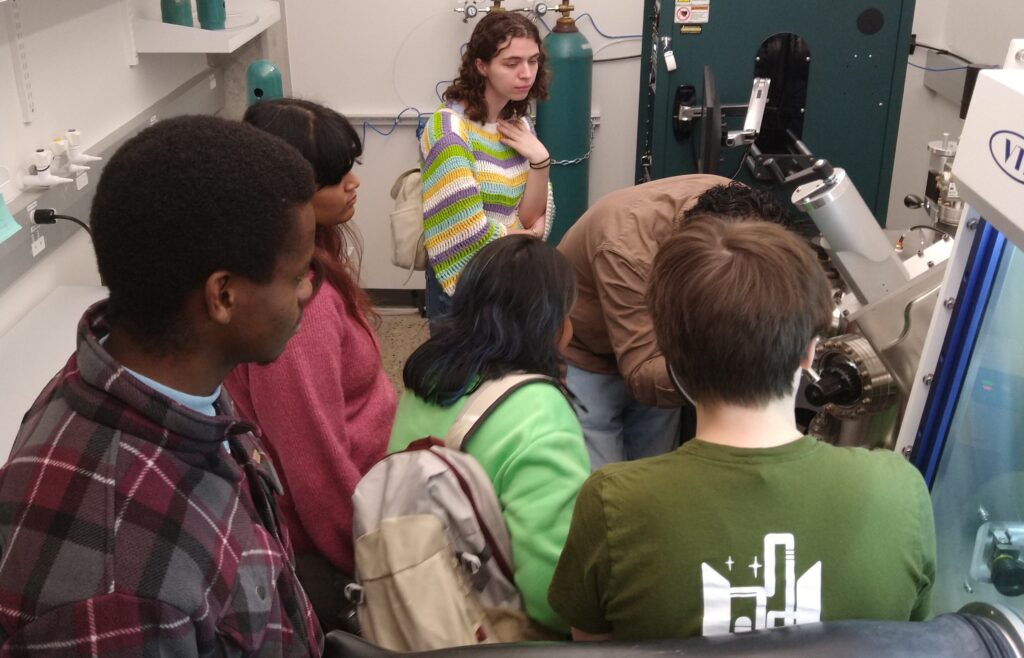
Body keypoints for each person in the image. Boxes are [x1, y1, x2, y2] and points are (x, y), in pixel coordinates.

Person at [0, 116, 323, 655]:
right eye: (297, 276)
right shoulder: (124, 596)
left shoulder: (142, 374)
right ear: (223, 296)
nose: (308, 292)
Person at [548, 218, 936, 641]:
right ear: (809, 352)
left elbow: (591, 646)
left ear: (672, 357)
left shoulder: (613, 503)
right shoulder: (900, 492)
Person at [225, 98, 397, 633]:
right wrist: (372, 563)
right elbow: (315, 468)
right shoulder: (302, 312)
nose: (354, 183)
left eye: (351, 168)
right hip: (330, 544)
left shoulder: (309, 260)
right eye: (335, 177)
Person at [389, 235, 589, 635]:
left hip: (407, 617)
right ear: (550, 325)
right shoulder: (540, 410)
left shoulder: (424, 384)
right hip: (497, 638)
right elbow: (553, 595)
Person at [557, 176, 792, 469]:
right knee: (602, 483)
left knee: (657, 476)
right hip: (588, 357)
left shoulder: (745, 211)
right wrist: (735, 360)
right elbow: (642, 373)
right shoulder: (626, 249)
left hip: (669, 351)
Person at [421, 11, 555, 323]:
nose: (526, 73)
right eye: (511, 63)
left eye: (533, 61)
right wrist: (523, 236)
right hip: (467, 288)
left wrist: (541, 161)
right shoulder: (449, 130)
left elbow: (530, 217)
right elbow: (467, 233)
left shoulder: (518, 124)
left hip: (510, 275)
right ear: (482, 66)